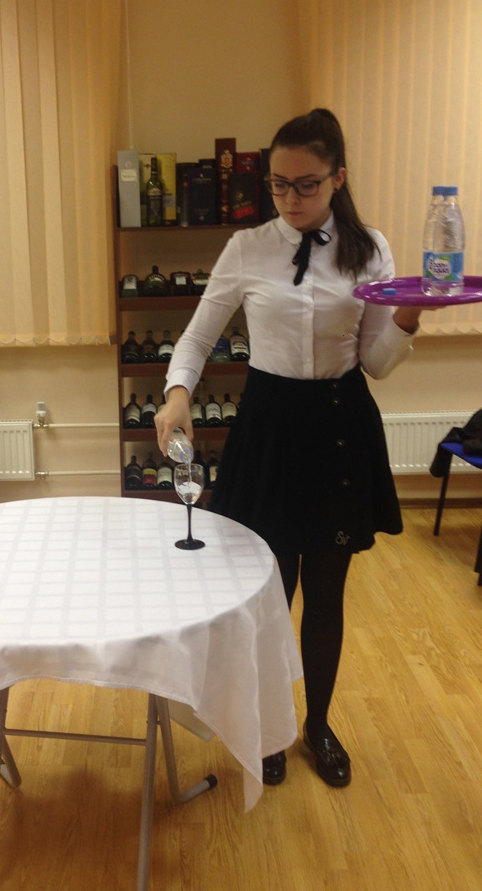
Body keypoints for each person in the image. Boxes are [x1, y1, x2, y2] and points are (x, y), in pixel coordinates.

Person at [155, 108, 425, 788]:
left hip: (339, 424)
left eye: (306, 184)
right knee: (270, 591)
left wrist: (410, 316)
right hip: (270, 427)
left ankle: (319, 725)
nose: (291, 198)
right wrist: (178, 394)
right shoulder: (248, 248)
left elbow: (377, 362)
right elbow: (197, 336)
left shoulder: (370, 250)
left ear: (338, 178)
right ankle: (271, 725)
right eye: (278, 184)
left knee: (327, 593)